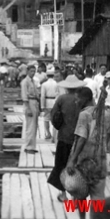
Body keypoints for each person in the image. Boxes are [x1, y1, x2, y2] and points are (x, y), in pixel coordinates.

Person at [67, 85, 108, 219]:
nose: (76, 102)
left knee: (80, 193)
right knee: (98, 195)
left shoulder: (84, 115)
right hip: (100, 160)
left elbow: (81, 137)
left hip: (85, 159)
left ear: (85, 99)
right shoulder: (102, 113)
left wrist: (72, 159)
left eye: (77, 99)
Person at [47, 74, 84, 202]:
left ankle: (63, 194)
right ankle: (75, 195)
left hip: (64, 136)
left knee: (61, 165)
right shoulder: (82, 100)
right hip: (80, 138)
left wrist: (59, 126)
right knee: (77, 166)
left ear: (66, 88)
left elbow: (53, 116)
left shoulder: (61, 99)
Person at [20, 65, 40, 154]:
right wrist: (27, 108)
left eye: (34, 71)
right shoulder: (25, 82)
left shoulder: (33, 81)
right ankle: (28, 146)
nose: (33, 73)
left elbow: (37, 94)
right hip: (29, 102)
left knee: (34, 126)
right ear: (27, 71)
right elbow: (24, 96)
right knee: (30, 126)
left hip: (34, 102)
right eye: (31, 71)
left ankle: (32, 146)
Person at [40, 68, 61, 140]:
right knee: (54, 119)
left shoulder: (44, 84)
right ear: (53, 75)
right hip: (55, 102)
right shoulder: (57, 84)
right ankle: (54, 136)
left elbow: (42, 96)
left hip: (47, 101)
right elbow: (58, 94)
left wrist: (42, 105)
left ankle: (48, 133)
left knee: (46, 119)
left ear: (47, 75)